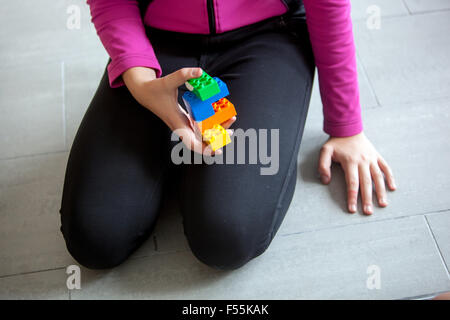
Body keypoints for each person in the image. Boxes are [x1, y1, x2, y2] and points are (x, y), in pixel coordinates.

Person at [59, 0, 396, 270]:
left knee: (226, 235)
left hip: (269, 36)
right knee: (95, 237)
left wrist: (346, 126)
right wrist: (141, 79)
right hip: (154, 39)